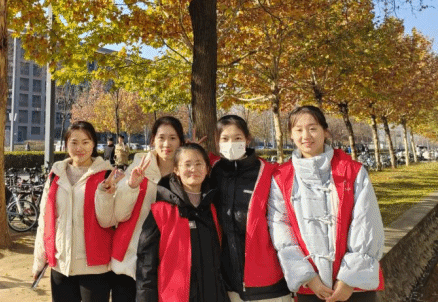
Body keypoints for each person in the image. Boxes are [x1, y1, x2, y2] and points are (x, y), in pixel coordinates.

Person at [268, 106, 384, 302]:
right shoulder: (281, 177)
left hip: (354, 288)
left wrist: (348, 279)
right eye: (298, 130)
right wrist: (307, 277)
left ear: (325, 131)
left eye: (313, 128)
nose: (306, 136)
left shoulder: (353, 171)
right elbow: (280, 229)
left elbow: (366, 224)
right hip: (311, 287)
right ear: (291, 135)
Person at [95, 116, 186, 302]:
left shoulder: (186, 173)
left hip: (171, 265)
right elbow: (119, 214)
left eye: (173, 138)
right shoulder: (139, 167)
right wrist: (131, 186)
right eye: (161, 138)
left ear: (181, 141)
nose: (166, 144)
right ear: (152, 140)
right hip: (132, 263)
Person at [33, 121, 122, 302]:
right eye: (74, 142)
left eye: (85, 142)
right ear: (66, 144)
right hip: (61, 265)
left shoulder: (106, 176)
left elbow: (109, 221)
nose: (79, 148)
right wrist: (39, 261)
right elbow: (45, 219)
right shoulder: (56, 175)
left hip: (95, 267)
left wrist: (105, 194)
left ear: (94, 144)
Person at [210, 115, 291, 302]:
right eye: (225, 138)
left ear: (247, 139)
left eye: (237, 138)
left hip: (269, 285)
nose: (231, 143)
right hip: (228, 286)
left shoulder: (268, 172)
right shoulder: (213, 171)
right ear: (217, 142)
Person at [136, 143, 228, 302]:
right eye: (187, 164)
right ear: (176, 170)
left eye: (199, 164)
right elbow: (146, 264)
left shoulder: (213, 208)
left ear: (207, 169)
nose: (193, 169)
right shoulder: (161, 211)